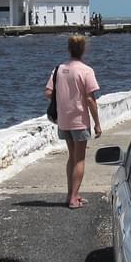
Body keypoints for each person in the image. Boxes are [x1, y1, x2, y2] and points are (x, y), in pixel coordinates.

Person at [45, 35, 102, 208]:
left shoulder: (59, 69)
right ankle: (74, 198)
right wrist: (97, 123)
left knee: (72, 157)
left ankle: (71, 194)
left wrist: (64, 97)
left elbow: (48, 92)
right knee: (80, 159)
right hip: (79, 120)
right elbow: (91, 99)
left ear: (69, 49)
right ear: (84, 50)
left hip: (64, 120)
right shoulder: (86, 70)